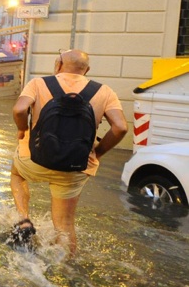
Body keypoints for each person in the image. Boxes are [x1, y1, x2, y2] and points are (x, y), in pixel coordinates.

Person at [9, 49, 127, 255]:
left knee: (17, 175)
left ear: (58, 65)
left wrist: (22, 129)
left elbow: (19, 110)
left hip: (33, 159)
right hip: (75, 167)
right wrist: (97, 153)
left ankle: (23, 219)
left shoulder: (38, 83)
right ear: (87, 70)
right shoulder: (105, 91)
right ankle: (65, 272)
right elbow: (120, 128)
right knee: (64, 225)